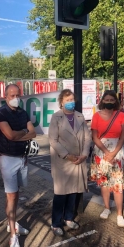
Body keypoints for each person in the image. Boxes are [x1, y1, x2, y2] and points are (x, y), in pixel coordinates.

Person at [0, 84, 36, 247]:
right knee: (11, 195)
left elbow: (33, 133)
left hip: (22, 158)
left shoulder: (22, 112)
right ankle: (13, 235)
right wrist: (22, 133)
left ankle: (13, 224)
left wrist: (20, 134)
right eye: (12, 95)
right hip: (8, 159)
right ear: (6, 97)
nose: (15, 97)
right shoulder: (0, 113)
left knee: (15, 193)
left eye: (17, 94)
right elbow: (9, 135)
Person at [48, 89, 92, 236]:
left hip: (78, 160)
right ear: (61, 102)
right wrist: (67, 155)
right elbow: (53, 140)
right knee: (60, 193)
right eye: (67, 100)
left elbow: (87, 137)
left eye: (72, 99)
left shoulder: (80, 116)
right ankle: (56, 223)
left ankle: (68, 217)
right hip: (63, 161)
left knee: (73, 191)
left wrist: (84, 155)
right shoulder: (56, 117)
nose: (70, 102)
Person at [89, 90, 124, 226]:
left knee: (117, 184)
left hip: (117, 151)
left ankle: (119, 214)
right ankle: (106, 207)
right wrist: (106, 152)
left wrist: (113, 152)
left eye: (112, 100)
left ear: (115, 101)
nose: (109, 102)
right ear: (102, 101)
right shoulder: (96, 116)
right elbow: (94, 137)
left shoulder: (122, 115)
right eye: (107, 100)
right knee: (104, 183)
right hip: (101, 151)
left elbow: (123, 136)